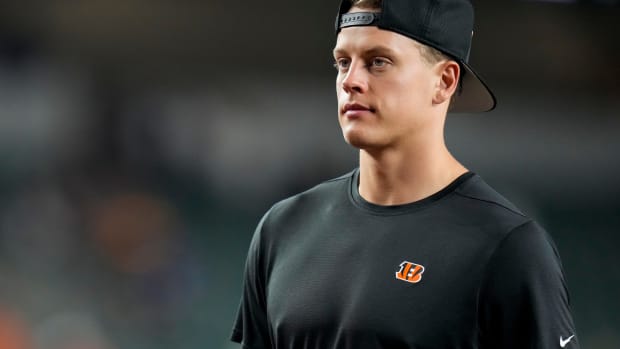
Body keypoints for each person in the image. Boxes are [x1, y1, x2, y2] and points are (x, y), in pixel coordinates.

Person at [231, 0, 580, 348]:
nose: (351, 81)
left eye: (377, 62)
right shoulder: (282, 229)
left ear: (444, 81)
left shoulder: (508, 248)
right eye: (342, 62)